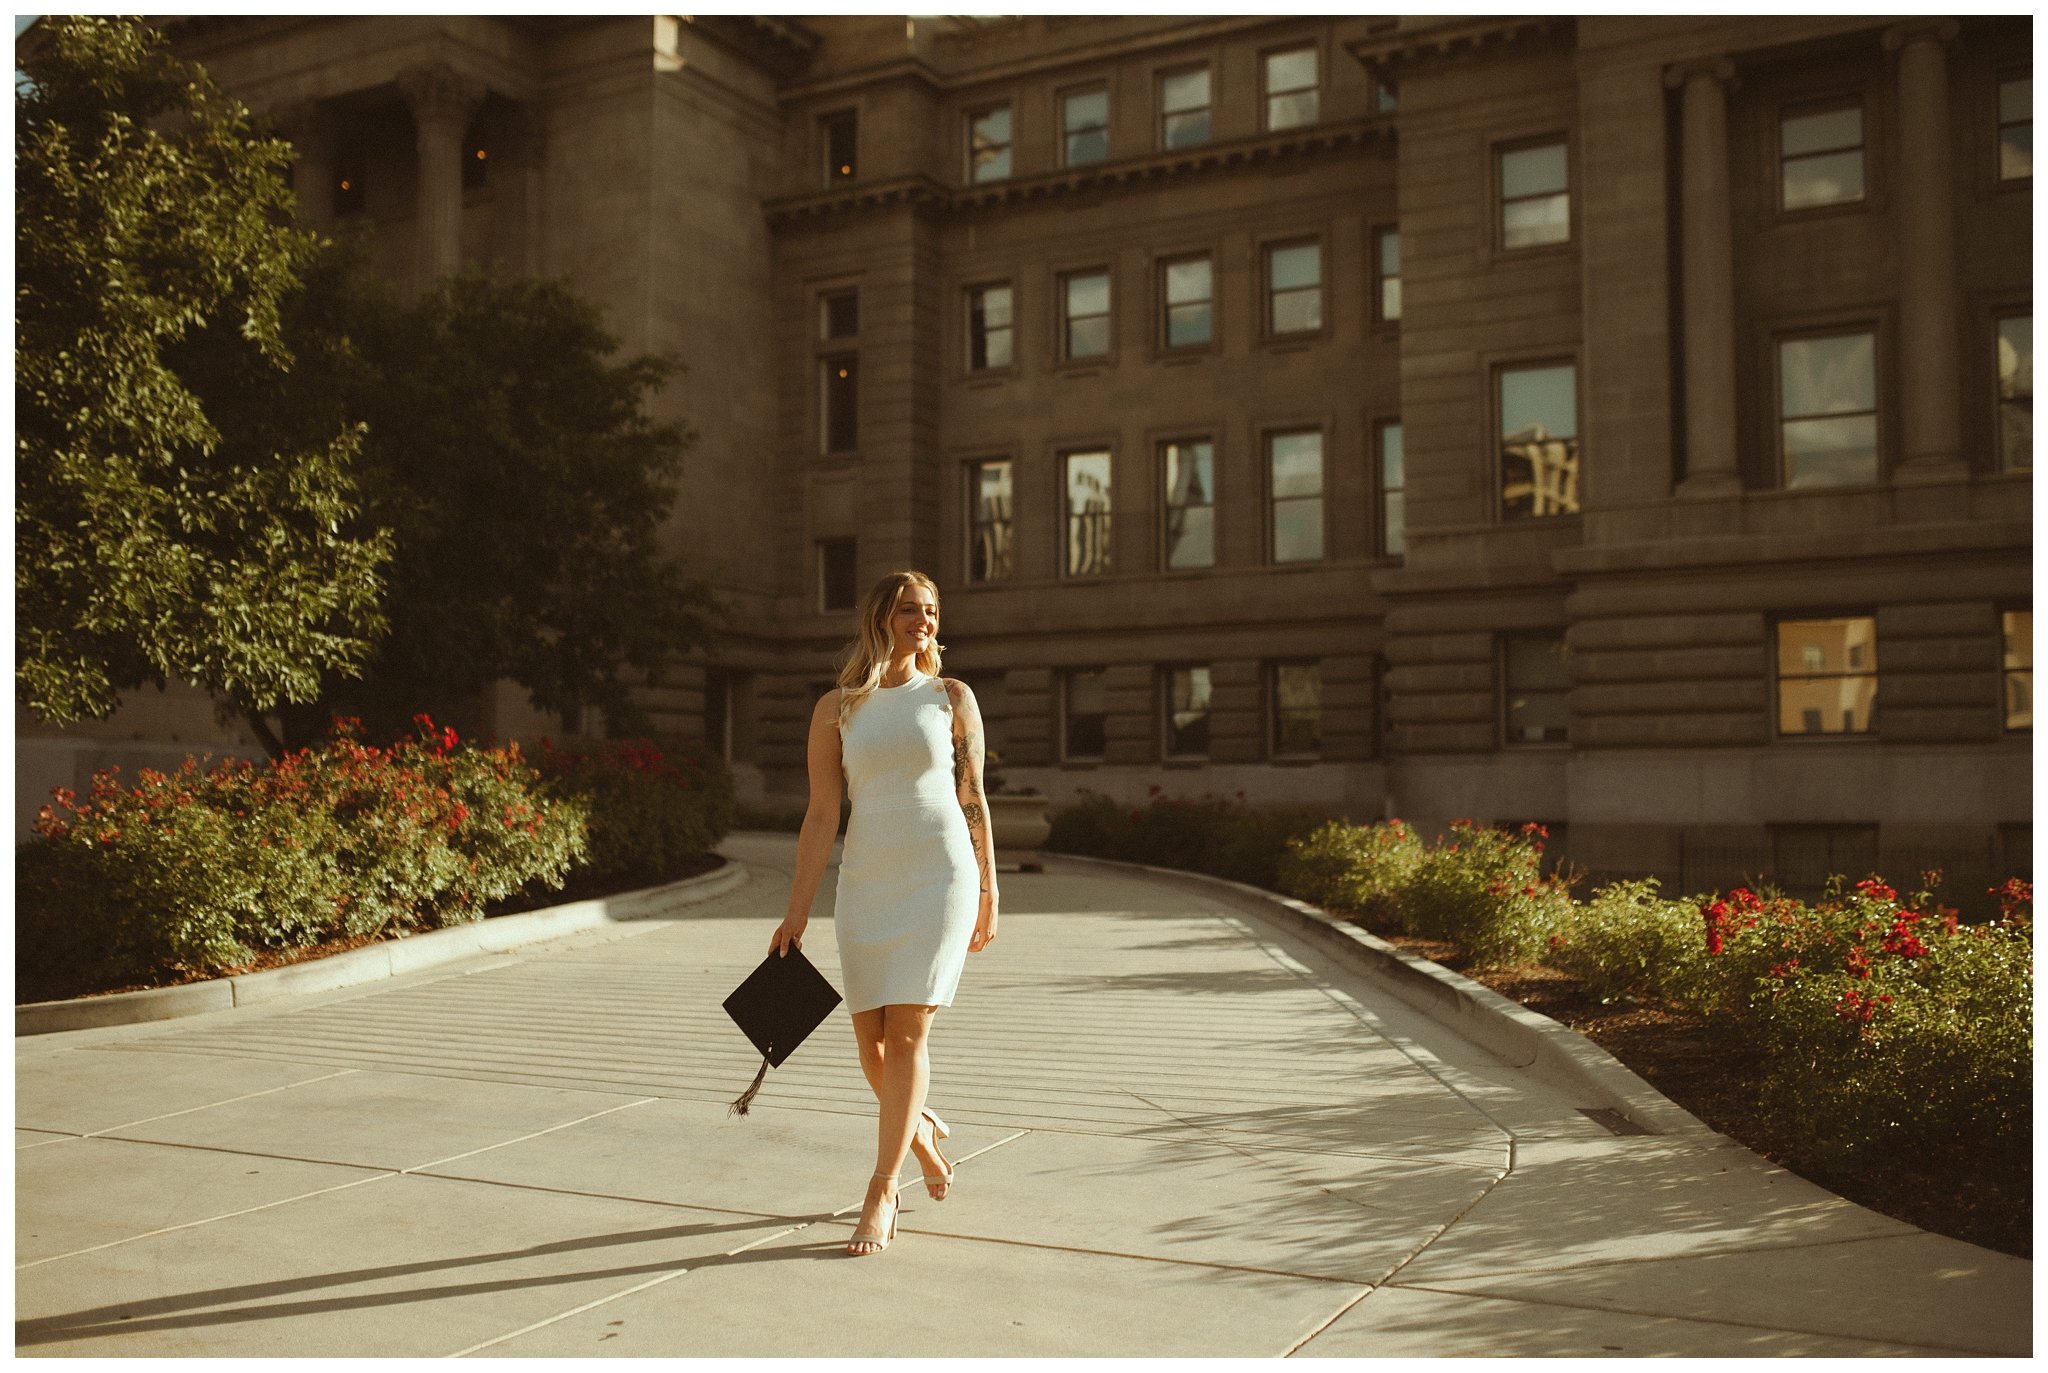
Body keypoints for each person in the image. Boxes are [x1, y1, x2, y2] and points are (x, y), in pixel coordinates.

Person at [770, 570, 999, 1257]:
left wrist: (990, 890)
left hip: (940, 875)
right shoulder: (836, 708)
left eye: (930, 610)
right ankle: (920, 1131)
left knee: (906, 1037)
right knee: (869, 1044)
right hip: (868, 880)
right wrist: (795, 914)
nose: (922, 620)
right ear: (880, 617)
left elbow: (972, 796)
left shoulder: (952, 697)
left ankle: (880, 1188)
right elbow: (819, 815)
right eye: (909, 609)